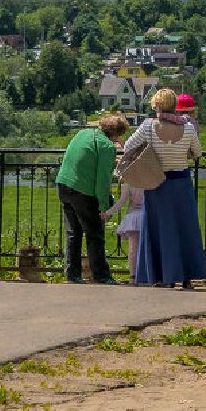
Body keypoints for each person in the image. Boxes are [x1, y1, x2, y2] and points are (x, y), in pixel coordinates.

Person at [123, 88, 206, 289]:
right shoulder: (188, 128)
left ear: (158, 106)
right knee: (184, 229)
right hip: (182, 184)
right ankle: (186, 277)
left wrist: (149, 152)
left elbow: (127, 146)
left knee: (159, 229)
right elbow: (197, 152)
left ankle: (162, 277)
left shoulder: (148, 126)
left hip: (157, 183)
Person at [56, 113, 130, 284]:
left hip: (64, 184)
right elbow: (102, 182)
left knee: (73, 232)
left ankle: (72, 274)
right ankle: (101, 275)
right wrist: (105, 208)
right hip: (83, 191)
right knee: (94, 233)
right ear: (117, 134)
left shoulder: (83, 133)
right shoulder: (106, 146)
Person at [102, 182, 145, 284]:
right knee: (146, 248)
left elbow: (121, 202)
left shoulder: (129, 182)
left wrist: (108, 212)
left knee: (132, 249)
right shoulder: (149, 180)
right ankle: (145, 274)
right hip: (146, 217)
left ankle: (133, 276)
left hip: (132, 218)